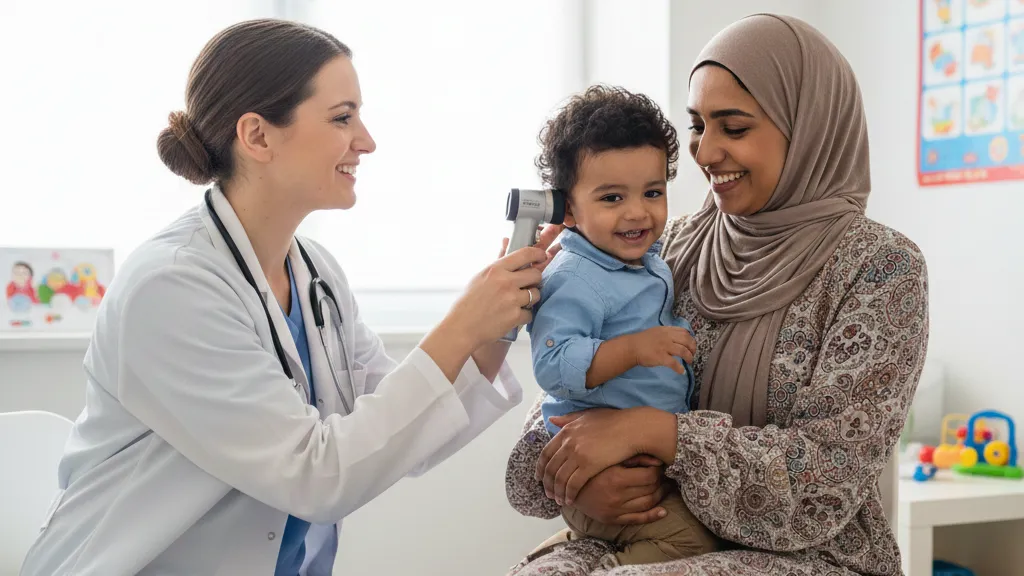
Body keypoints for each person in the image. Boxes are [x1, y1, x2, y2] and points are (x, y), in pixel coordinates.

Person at [18, 19, 557, 576]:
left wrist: (499, 319)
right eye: (342, 117)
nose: (366, 140)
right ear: (257, 136)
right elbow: (317, 475)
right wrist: (462, 323)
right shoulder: (171, 287)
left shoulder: (315, 275)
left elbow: (401, 432)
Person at [505, 14, 929, 576]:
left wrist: (656, 432)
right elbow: (564, 404)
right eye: (698, 126)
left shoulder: (880, 269)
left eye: (733, 127)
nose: (703, 154)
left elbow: (826, 479)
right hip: (650, 522)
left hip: (808, 554)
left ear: (806, 128)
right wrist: (582, 484)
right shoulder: (669, 246)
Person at [526, 85, 717, 567]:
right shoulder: (573, 276)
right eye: (612, 197)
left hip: (640, 456)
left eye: (652, 192)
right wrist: (634, 349)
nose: (638, 212)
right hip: (601, 471)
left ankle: (587, 545)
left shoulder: (645, 261)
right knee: (690, 544)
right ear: (568, 209)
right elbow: (552, 364)